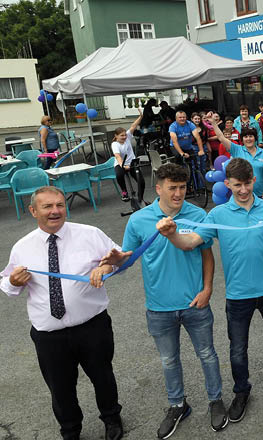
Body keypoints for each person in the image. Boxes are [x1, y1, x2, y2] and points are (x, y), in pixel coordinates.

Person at [158, 158, 263, 424]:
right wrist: (171, 235)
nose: (244, 190)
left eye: (248, 183)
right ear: (227, 184)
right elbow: (191, 242)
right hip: (238, 296)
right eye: (237, 185)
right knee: (238, 350)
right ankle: (241, 392)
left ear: (254, 181)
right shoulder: (217, 215)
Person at [102, 163, 226, 438]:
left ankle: (216, 400)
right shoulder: (139, 220)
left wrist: (207, 289)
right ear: (158, 189)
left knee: (207, 355)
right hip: (159, 307)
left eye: (182, 187)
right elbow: (128, 260)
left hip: (195, 302)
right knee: (169, 360)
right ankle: (177, 405)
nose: (179, 193)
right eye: (173, 188)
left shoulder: (197, 215)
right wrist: (114, 263)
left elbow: (205, 253)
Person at [0, 186, 124, 440]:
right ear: (33, 210)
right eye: (47, 206)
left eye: (59, 204)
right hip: (49, 335)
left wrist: (111, 263)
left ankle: (111, 418)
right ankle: (70, 429)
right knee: (60, 388)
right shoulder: (22, 247)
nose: (55, 211)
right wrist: (14, 281)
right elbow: (7, 286)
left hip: (92, 326)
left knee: (103, 377)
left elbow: (120, 257)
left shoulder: (90, 234)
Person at [210, 119, 263, 199]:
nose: (248, 139)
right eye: (245, 137)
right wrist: (213, 123)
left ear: (255, 138)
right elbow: (221, 138)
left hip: (260, 193)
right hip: (241, 194)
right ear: (242, 139)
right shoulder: (236, 149)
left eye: (251, 136)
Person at [111, 110, 145, 202]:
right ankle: (124, 192)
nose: (124, 137)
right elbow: (118, 156)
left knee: (141, 182)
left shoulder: (128, 137)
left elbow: (133, 126)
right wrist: (123, 166)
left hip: (132, 162)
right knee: (119, 175)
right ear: (116, 136)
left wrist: (140, 116)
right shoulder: (115, 144)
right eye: (122, 136)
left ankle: (140, 198)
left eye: (125, 135)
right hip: (120, 163)